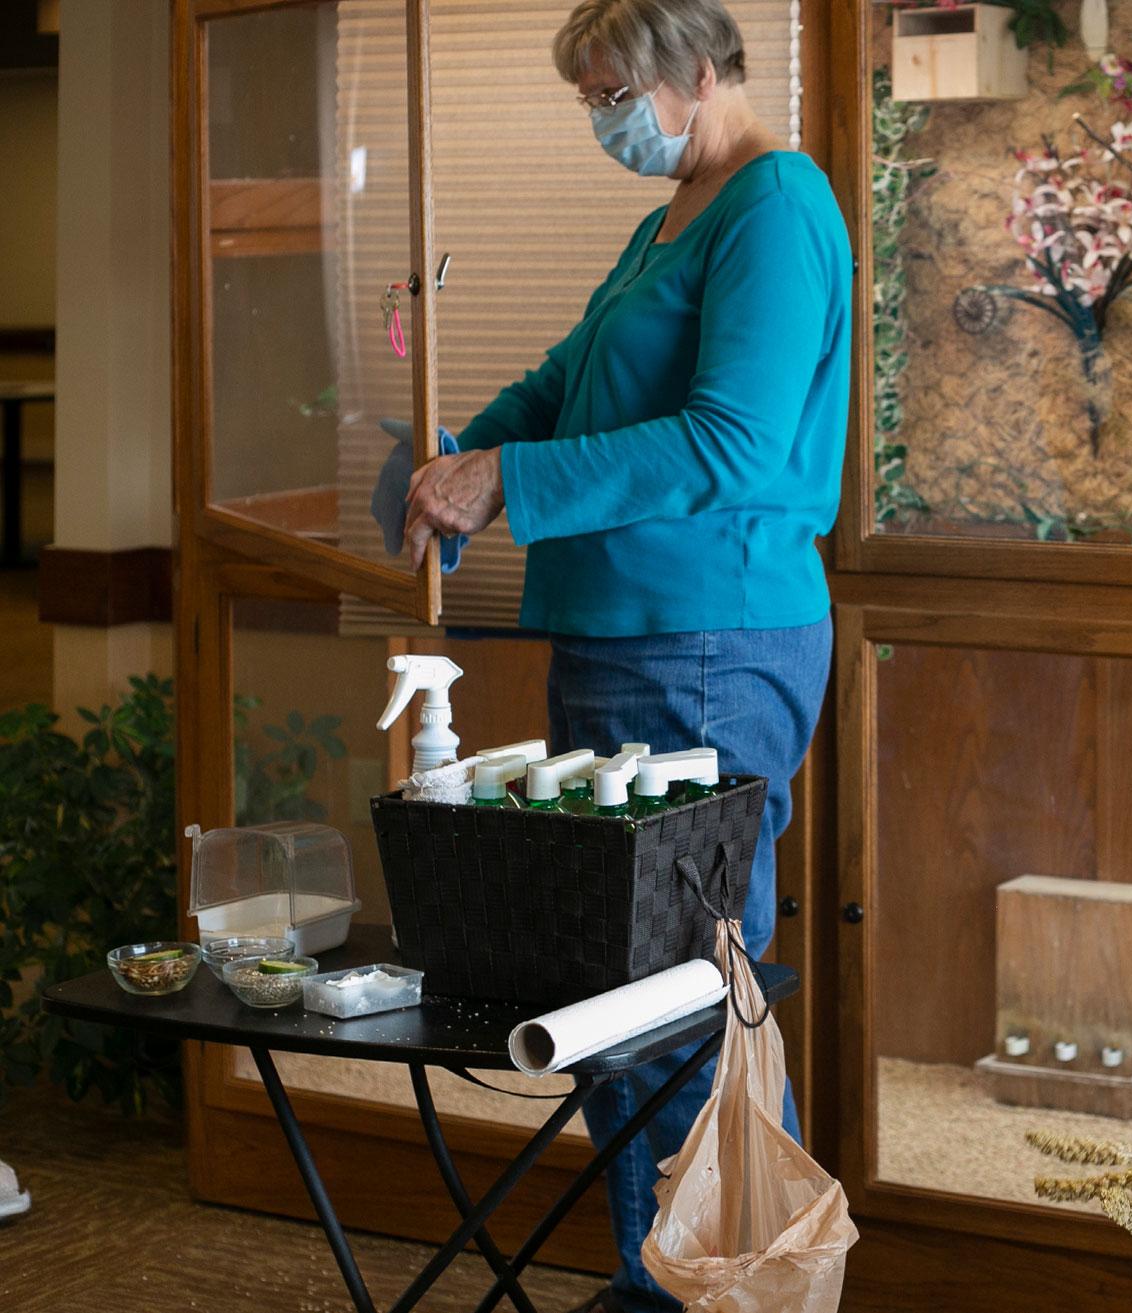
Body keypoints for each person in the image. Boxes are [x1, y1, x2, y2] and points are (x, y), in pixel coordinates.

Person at [397, 2, 850, 1309]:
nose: (601, 119)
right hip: (629, 639)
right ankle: (674, 1278)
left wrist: (508, 480)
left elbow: (731, 444)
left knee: (674, 995)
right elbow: (571, 377)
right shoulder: (675, 216)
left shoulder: (774, 209)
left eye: (612, 94)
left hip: (703, 641)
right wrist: (465, 458)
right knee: (621, 992)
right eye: (587, 95)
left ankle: (712, 1292)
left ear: (695, 74)